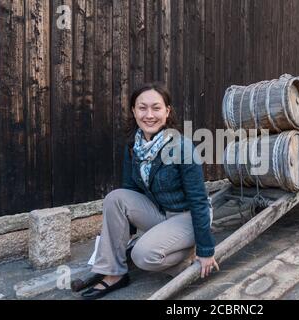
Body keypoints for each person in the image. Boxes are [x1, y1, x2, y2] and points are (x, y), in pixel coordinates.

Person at [80, 82, 219, 300]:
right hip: (161, 214)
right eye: (142, 108)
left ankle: (185, 257)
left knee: (142, 256)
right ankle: (114, 274)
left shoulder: (182, 147)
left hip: (187, 217)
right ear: (134, 111)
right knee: (115, 198)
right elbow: (130, 190)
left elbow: (199, 200)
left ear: (167, 111)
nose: (149, 115)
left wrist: (206, 249)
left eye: (156, 107)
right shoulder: (133, 147)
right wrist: (125, 235)